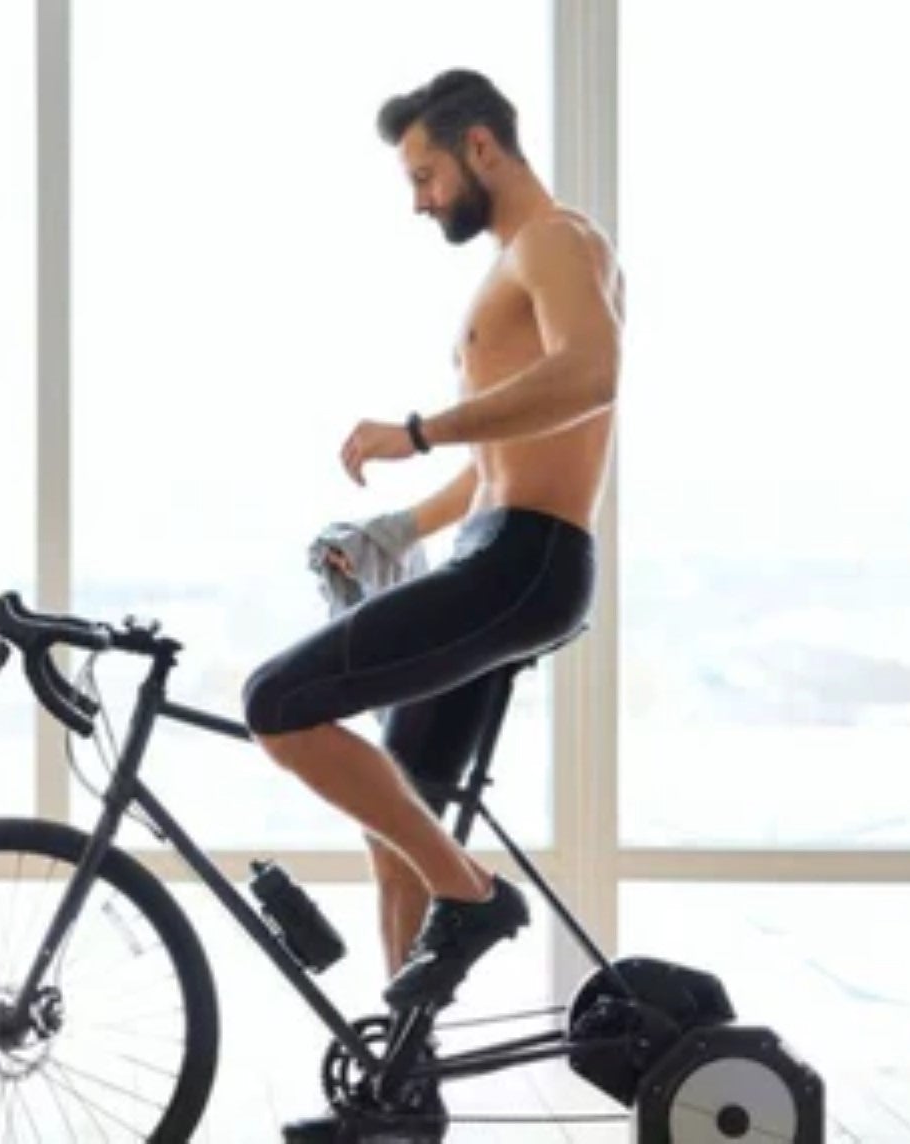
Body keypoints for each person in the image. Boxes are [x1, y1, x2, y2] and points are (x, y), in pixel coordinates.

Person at [242, 67, 626, 1015]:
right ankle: (405, 1092)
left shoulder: (556, 243)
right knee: (399, 819)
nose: (419, 203)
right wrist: (395, 528)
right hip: (497, 551)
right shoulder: (511, 266)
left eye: (426, 177)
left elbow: (592, 374)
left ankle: (472, 895)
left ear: (480, 148)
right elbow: (507, 454)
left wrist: (414, 431)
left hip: (523, 561)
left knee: (275, 704)